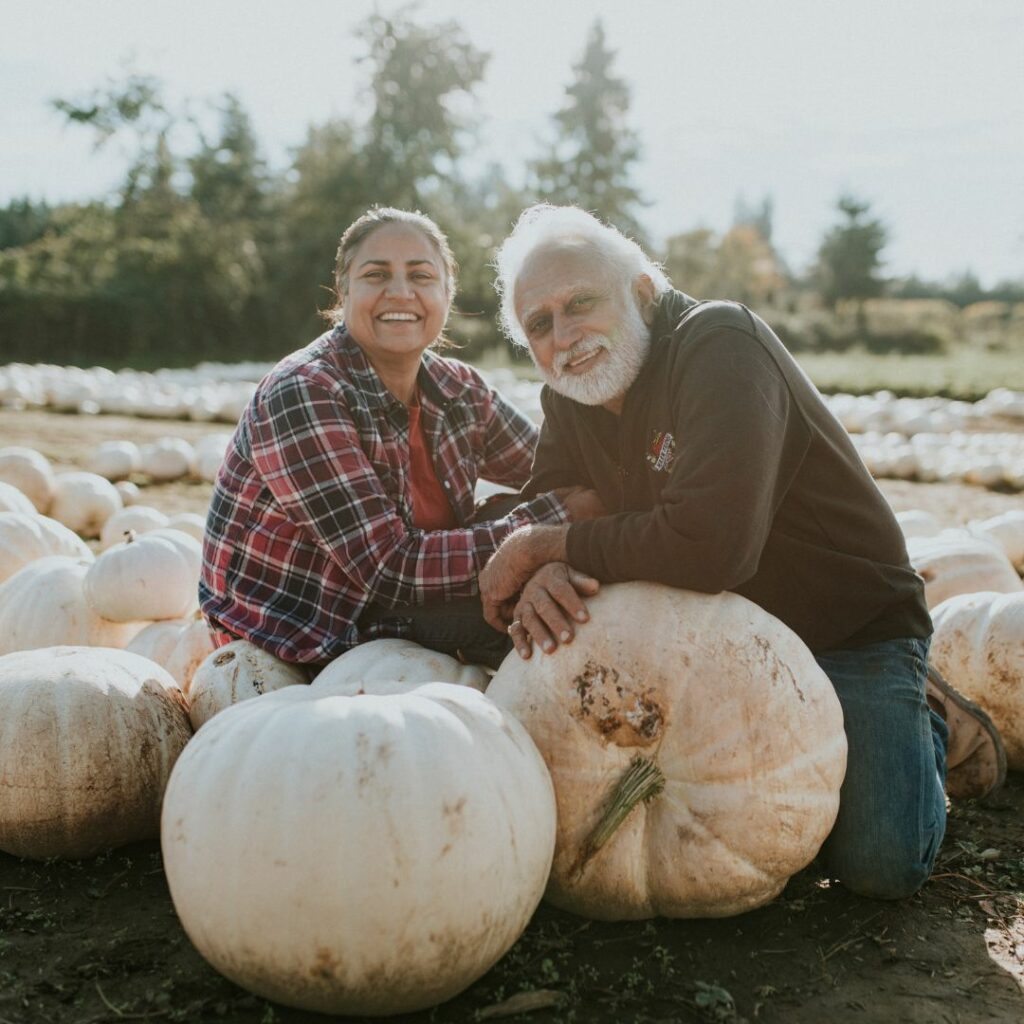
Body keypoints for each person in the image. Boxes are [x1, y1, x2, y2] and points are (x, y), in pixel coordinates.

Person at [478, 203, 1006, 900]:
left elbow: (711, 544)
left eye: (580, 302)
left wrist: (548, 545)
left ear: (640, 291)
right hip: (716, 643)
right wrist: (544, 562)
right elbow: (551, 503)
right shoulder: (570, 398)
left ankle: (931, 721)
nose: (566, 335)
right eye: (540, 324)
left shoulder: (719, 344)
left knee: (882, 866)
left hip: (846, 628)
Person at [200, 206, 601, 670]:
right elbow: (388, 567)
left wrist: (555, 541)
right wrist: (559, 527)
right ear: (344, 290)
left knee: (554, 558)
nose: (400, 292)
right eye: (376, 275)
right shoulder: (305, 391)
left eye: (421, 276)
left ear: (446, 294)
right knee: (572, 626)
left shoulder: (460, 390)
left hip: (412, 587)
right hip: (312, 626)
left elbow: (554, 467)